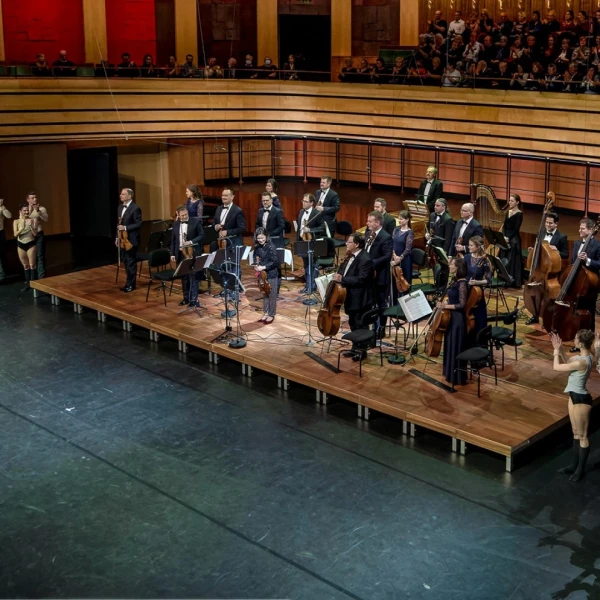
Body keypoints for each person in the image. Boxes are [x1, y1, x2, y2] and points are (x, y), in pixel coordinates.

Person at [551, 329, 594, 482]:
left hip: (581, 400)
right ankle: (574, 465)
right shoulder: (581, 357)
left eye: (576, 338)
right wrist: (560, 348)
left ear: (580, 343)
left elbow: (557, 367)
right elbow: (568, 362)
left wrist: (556, 352)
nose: (574, 340)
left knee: (582, 435)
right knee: (575, 433)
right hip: (573, 397)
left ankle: (580, 470)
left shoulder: (582, 362)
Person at [333, 234, 375, 361]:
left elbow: (362, 279)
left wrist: (342, 279)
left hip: (360, 298)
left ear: (356, 244)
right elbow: (345, 271)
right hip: (351, 296)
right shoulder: (350, 255)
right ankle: (354, 348)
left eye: (349, 242)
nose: (346, 243)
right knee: (353, 323)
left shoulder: (365, 259)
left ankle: (362, 351)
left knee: (360, 325)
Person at [525, 211, 568, 325]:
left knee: (549, 297)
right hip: (539, 272)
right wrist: (533, 250)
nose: (548, 225)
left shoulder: (561, 237)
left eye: (550, 223)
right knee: (536, 293)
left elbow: (566, 254)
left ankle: (548, 319)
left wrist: (557, 251)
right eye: (547, 222)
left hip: (550, 272)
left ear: (556, 224)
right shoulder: (541, 233)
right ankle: (535, 315)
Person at [568, 218, 600, 350]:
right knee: (575, 311)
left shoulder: (597, 245)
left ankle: (587, 340)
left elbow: (599, 264)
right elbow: (572, 262)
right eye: (579, 228)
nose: (579, 230)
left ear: (591, 230)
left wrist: (587, 260)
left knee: (588, 312)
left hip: (590, 285)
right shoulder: (576, 243)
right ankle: (577, 339)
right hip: (576, 283)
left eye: (582, 228)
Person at [440, 256, 469, 385]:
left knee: (455, 346)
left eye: (451, 264)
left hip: (457, 320)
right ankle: (449, 372)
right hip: (450, 317)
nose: (449, 266)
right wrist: (444, 303)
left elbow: (461, 304)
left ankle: (456, 377)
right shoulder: (455, 281)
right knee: (449, 344)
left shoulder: (462, 284)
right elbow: (452, 298)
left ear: (457, 268)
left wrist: (445, 306)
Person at [170, 205, 204, 307]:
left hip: (192, 252)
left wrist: (191, 242)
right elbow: (173, 240)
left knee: (193, 276)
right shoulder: (175, 224)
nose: (184, 217)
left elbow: (202, 235)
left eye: (185, 214)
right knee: (184, 277)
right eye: (182, 215)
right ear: (178, 214)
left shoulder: (196, 221)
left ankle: (194, 299)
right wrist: (172, 254)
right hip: (181, 253)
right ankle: (186, 298)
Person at [364, 211, 393, 330]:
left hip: (379, 275)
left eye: (370, 221)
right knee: (368, 300)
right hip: (368, 274)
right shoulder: (368, 234)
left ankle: (381, 328)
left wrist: (372, 263)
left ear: (378, 222)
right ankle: (369, 326)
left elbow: (387, 256)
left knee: (381, 302)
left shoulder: (386, 237)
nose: (367, 223)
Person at [296, 193, 324, 294]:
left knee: (312, 265)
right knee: (306, 265)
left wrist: (310, 230)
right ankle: (307, 285)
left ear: (312, 203)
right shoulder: (301, 212)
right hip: (302, 241)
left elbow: (322, 227)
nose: (303, 203)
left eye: (306, 201)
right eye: (302, 201)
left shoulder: (317, 213)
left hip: (312, 242)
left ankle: (312, 287)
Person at [464, 236, 492, 336]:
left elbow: (488, 280)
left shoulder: (485, 261)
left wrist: (476, 282)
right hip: (465, 290)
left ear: (478, 246)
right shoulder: (466, 257)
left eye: (471, 245)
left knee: (478, 317)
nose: (469, 247)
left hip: (476, 293)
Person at [116, 188, 142, 292]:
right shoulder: (120, 207)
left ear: (129, 196)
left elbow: (138, 224)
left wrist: (125, 228)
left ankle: (131, 284)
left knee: (131, 262)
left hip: (131, 240)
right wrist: (117, 237)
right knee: (126, 262)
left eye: (123, 194)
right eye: (121, 194)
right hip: (122, 239)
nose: (120, 195)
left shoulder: (135, 208)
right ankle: (128, 283)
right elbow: (119, 224)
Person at [253, 228, 279, 324]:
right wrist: (256, 265)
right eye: (258, 238)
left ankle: (271, 314)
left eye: (262, 238)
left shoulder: (271, 246)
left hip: (271, 274)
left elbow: (275, 262)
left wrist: (263, 267)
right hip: (262, 274)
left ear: (266, 236)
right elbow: (255, 257)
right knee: (264, 293)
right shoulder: (257, 247)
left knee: (272, 295)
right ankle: (266, 312)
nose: (260, 240)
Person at [500, 193, 523, 288]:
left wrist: (508, 238)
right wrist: (504, 236)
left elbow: (516, 229)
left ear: (517, 202)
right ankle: (503, 279)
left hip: (513, 239)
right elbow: (504, 226)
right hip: (506, 237)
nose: (510, 202)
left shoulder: (519, 214)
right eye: (509, 200)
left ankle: (511, 281)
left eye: (512, 201)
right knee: (503, 257)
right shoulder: (508, 212)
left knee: (511, 259)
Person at [13, 204, 37, 292]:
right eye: (24, 210)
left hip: (30, 243)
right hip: (21, 244)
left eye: (27, 210)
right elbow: (15, 234)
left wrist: (31, 226)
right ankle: (27, 285)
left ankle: (34, 285)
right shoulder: (16, 221)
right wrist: (22, 228)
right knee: (26, 266)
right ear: (20, 211)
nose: (26, 212)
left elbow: (35, 234)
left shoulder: (32, 220)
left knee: (32, 265)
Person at [391, 210, 414, 294]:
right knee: (394, 282)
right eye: (399, 219)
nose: (399, 221)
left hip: (405, 260)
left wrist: (399, 258)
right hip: (394, 258)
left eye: (401, 219)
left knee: (404, 283)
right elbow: (392, 243)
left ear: (407, 220)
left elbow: (408, 249)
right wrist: (394, 255)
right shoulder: (396, 229)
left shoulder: (409, 232)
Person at [26, 192, 48, 279]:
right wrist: (29, 210)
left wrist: (38, 211)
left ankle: (41, 277)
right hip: (28, 235)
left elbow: (46, 219)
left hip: (39, 235)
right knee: (30, 256)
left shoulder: (41, 208)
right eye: (32, 198)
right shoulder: (25, 209)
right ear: (28, 200)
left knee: (40, 255)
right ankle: (32, 277)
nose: (35, 199)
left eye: (35, 197)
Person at [0, 198, 12, 281]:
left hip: (0, 232)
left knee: (1, 253)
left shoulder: (1, 207)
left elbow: (9, 216)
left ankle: (2, 275)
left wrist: (2, 207)